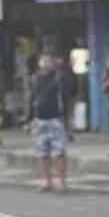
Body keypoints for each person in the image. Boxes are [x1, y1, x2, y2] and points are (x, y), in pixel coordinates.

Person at [29, 52, 76, 191]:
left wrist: (66, 119)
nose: (45, 63)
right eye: (43, 60)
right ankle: (47, 182)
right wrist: (29, 119)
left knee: (60, 152)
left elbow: (67, 97)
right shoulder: (35, 79)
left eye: (48, 61)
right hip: (40, 119)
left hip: (56, 119)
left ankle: (62, 182)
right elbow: (32, 99)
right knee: (43, 153)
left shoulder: (59, 77)